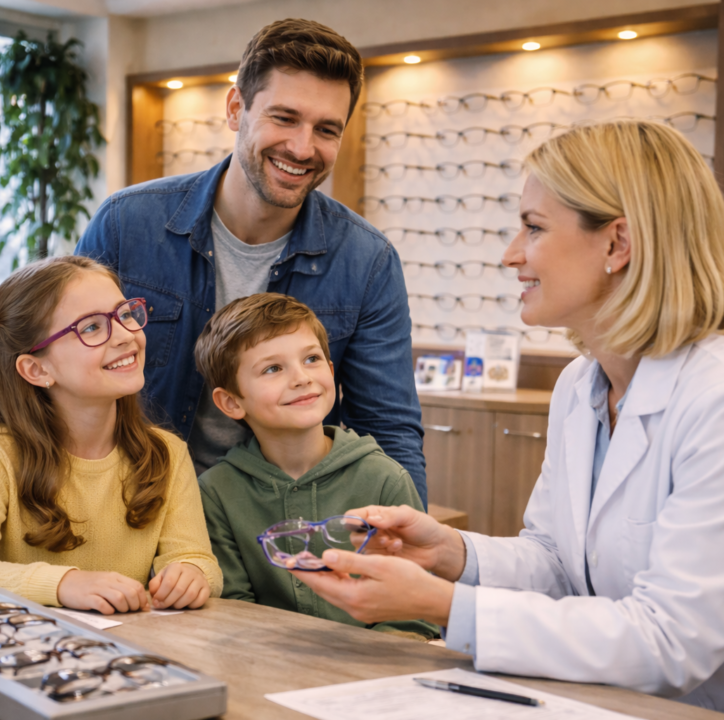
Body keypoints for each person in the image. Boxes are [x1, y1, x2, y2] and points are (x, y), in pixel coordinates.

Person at [291, 119, 724, 710]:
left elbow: (673, 641)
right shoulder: (580, 386)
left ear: (617, 245)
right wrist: (448, 554)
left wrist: (440, 605)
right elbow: (556, 563)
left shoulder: (712, 400)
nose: (511, 254)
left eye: (534, 228)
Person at [75, 19, 427, 506]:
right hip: (131, 508)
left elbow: (388, 429)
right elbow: (64, 382)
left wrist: (405, 549)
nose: (303, 149)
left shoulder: (367, 261)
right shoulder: (125, 223)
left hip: (280, 531)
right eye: (284, 118)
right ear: (236, 107)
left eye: (326, 129)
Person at [0, 256, 222, 613]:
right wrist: (63, 584)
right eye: (90, 328)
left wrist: (191, 574)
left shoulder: (168, 453)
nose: (125, 335)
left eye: (125, 314)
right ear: (36, 369)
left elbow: (198, 559)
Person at [195, 293, 437, 638]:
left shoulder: (385, 479)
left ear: (331, 370)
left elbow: (412, 614)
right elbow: (234, 611)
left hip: (376, 674)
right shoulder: (215, 493)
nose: (301, 378)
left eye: (311, 359)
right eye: (273, 368)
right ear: (231, 402)